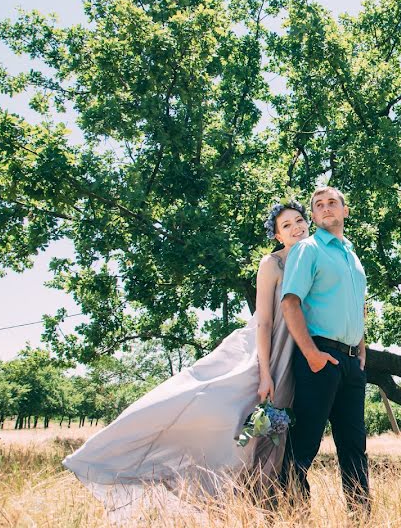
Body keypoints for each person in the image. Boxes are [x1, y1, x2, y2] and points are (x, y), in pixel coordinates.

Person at [62, 201, 310, 522]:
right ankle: (156, 465)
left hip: (293, 355)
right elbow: (263, 320)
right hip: (261, 352)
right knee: (225, 411)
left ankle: (260, 505)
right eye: (287, 225)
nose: (296, 227)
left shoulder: (316, 260)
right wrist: (264, 372)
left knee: (271, 429)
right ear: (277, 235)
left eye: (299, 220)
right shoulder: (272, 264)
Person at [280, 186, 370, 512]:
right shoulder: (309, 249)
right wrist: (312, 355)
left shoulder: (353, 257)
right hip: (320, 357)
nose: (326, 208)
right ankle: (293, 516)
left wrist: (361, 350)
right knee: (303, 445)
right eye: (319, 205)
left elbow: (358, 308)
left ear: (345, 211)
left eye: (333, 203)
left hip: (351, 364)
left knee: (354, 448)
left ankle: (362, 518)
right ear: (314, 216)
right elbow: (290, 303)